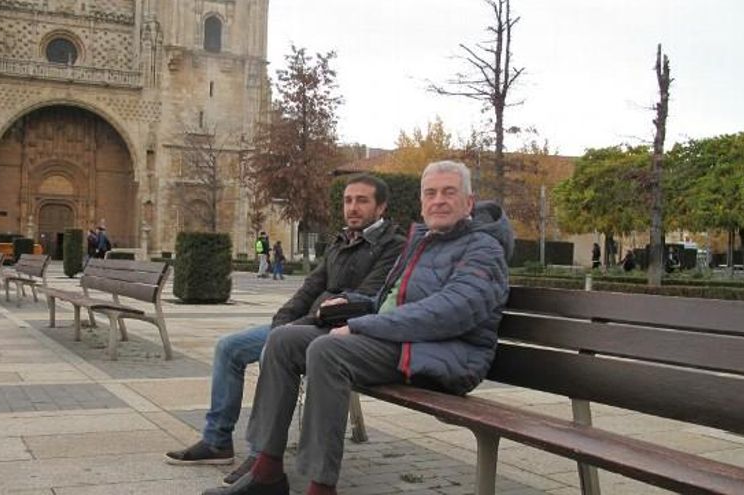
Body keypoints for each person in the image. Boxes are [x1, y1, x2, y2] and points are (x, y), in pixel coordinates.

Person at [204, 161, 513, 495]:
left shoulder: (484, 248)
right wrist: (351, 304)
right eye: (430, 193)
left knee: (327, 351)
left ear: (469, 202)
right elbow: (386, 299)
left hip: (439, 353)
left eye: (449, 192)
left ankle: (320, 486)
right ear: (422, 202)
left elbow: (451, 311)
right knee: (283, 340)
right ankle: (267, 470)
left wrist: (361, 325)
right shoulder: (422, 242)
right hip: (401, 342)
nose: (438, 200)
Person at [164, 174, 405, 486]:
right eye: (348, 200)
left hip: (337, 334)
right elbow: (309, 289)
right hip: (301, 324)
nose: (353, 208)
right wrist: (283, 321)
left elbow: (358, 303)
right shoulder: (341, 240)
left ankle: (260, 455)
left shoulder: (392, 247)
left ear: (381, 206)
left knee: (274, 349)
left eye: (362, 200)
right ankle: (217, 441)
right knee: (228, 347)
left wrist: (289, 330)